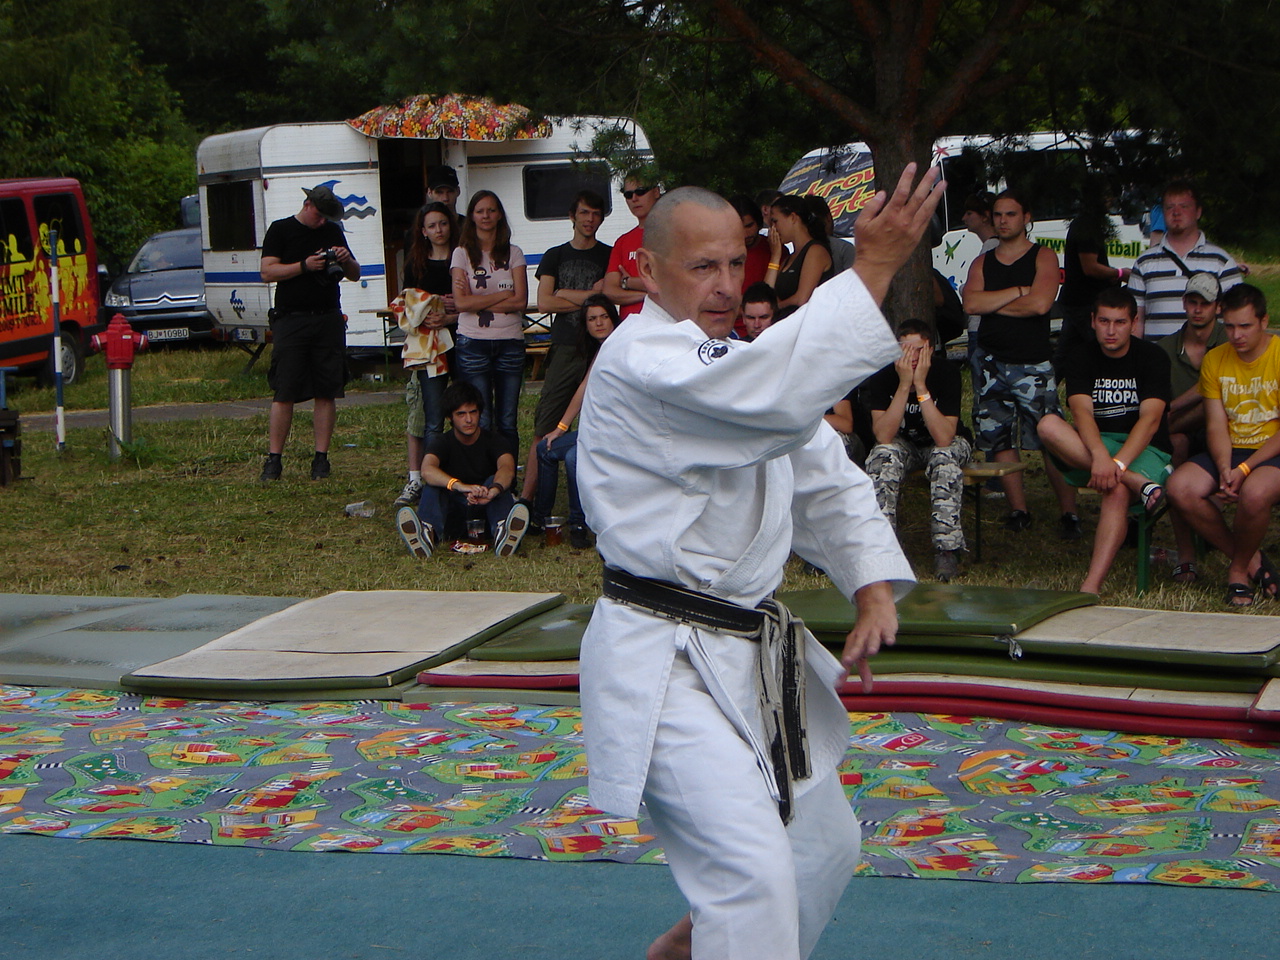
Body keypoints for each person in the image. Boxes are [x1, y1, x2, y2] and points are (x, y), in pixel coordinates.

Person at [575, 164, 942, 960]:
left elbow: (821, 471)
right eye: (701, 266)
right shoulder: (645, 359)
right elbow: (774, 396)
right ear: (647, 271)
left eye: (735, 262)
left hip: (745, 655)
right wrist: (873, 269)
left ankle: (698, 947)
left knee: (823, 849)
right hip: (664, 662)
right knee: (749, 876)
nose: (724, 284)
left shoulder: (727, 363)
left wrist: (870, 585)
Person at [1037, 288, 1173, 594]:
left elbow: (1150, 421)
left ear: (1134, 323)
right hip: (1095, 445)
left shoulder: (1153, 357)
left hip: (1146, 448)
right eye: (1104, 321)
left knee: (1115, 490)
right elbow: (1082, 412)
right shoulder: (1080, 356)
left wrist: (1118, 464)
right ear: (1092, 321)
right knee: (1047, 425)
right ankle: (1135, 481)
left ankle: (1091, 585)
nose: (1111, 331)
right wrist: (1099, 455)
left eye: (1120, 322)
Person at [961, 189, 1079, 538]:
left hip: (1033, 363)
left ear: (1026, 218)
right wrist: (1017, 292)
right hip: (990, 362)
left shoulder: (1044, 256)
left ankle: (1070, 513)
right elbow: (971, 304)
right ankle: (1018, 510)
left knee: (1051, 440)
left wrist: (993, 303)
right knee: (999, 439)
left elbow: (1041, 304)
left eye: (1010, 214)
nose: (1003, 221)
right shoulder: (983, 262)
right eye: (998, 214)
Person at [1166, 284, 1280, 606]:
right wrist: (1224, 467)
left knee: (1254, 493)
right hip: (1233, 447)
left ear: (1264, 321)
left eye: (1245, 326)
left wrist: (1244, 469)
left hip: (1271, 449)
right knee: (1180, 487)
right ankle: (1252, 560)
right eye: (1229, 326)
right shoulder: (1216, 359)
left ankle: (1238, 571)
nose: (1236, 335)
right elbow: (1216, 424)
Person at [258, 184, 360, 482]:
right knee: (285, 390)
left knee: (327, 390)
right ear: (307, 205)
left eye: (328, 216)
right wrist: (304, 266)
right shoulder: (281, 230)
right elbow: (267, 272)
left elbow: (355, 274)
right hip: (291, 319)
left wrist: (344, 259)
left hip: (327, 318)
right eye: (320, 214)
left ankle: (321, 459)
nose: (323, 220)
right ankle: (274, 459)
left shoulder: (333, 232)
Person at [517, 191, 612, 507]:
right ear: (573, 216)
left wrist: (565, 293)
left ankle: (594, 502)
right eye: (584, 213)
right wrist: (589, 298)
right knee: (546, 423)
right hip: (565, 347)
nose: (589, 219)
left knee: (600, 426)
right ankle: (527, 500)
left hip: (599, 348)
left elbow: (606, 301)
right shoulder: (554, 255)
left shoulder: (608, 255)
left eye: (595, 214)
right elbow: (545, 301)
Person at [863, 318, 973, 582]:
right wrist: (904, 386)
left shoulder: (945, 373)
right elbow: (883, 435)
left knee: (944, 459)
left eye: (919, 350)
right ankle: (883, 548)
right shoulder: (883, 375)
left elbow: (944, 437)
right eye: (906, 350)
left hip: (946, 441)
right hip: (905, 443)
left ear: (930, 350)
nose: (912, 357)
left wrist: (921, 387)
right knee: (882, 456)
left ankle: (947, 549)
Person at [396, 381, 530, 559]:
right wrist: (459, 486)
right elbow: (427, 470)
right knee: (434, 485)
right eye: (461, 414)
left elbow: (507, 468)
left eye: (473, 412)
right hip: (454, 511)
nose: (469, 420)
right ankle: (426, 532)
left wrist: (494, 490)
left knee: (497, 482)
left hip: (486, 507)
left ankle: (504, 530)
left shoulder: (495, 440)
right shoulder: (442, 442)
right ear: (449, 417)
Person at [533, 294, 621, 549]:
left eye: (604, 317)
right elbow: (583, 389)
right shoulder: (597, 349)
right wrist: (560, 429)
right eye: (592, 319)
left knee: (574, 457)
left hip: (617, 431)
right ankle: (541, 519)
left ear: (613, 319)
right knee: (545, 447)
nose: (599, 323)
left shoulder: (619, 345)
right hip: (593, 430)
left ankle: (578, 524)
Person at [1156, 272, 1228, 582]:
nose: (1198, 309)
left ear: (1218, 307)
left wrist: (1171, 409)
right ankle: (1186, 554)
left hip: (1227, 431)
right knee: (1176, 443)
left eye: (1205, 303)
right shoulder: (1164, 349)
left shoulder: (1231, 339)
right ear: (1184, 303)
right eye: (1193, 302)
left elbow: (1215, 390)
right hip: (1182, 435)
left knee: (1212, 403)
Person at [450, 190, 528, 454]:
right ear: (472, 216)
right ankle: (482, 473)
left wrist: (479, 300)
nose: (486, 216)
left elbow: (520, 301)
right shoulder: (461, 254)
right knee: (479, 419)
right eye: (480, 211)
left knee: (507, 420)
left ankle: (507, 475)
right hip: (473, 342)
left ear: (500, 215)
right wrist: (503, 295)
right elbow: (461, 304)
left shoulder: (514, 253)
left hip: (510, 342)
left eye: (491, 210)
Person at [393, 201, 458, 508]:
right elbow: (406, 304)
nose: (438, 230)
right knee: (431, 417)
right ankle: (425, 479)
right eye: (432, 225)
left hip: (462, 341)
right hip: (428, 350)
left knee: (467, 409)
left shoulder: (462, 257)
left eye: (443, 224)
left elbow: (471, 297)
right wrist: (427, 312)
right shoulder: (415, 264)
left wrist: (452, 311)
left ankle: (462, 470)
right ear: (423, 231)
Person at [1128, 180, 1242, 340]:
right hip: (1156, 354)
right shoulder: (1144, 263)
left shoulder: (1221, 261)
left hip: (1208, 355)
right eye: (1169, 207)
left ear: (1198, 212)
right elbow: (1135, 321)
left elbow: (1236, 317)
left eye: (1184, 206)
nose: (1176, 212)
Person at [1053, 182, 1129, 373]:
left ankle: (1050, 387)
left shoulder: (1085, 224)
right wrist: (1119, 273)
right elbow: (1090, 267)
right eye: (1107, 196)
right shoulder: (1087, 226)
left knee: (1065, 354)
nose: (1111, 200)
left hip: (1076, 300)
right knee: (1103, 348)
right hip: (1084, 303)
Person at [603, 175, 662, 318]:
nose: (634, 198)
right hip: (631, 325)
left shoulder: (673, 234)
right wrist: (647, 295)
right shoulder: (622, 242)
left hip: (666, 324)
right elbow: (609, 291)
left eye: (640, 192)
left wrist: (628, 282)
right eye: (628, 195)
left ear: (656, 192)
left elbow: (671, 285)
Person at [765, 194, 833, 316]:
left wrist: (773, 308)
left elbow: (802, 298)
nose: (773, 228)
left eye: (775, 222)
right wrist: (775, 256)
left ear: (792, 218)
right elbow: (766, 293)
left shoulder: (815, 251)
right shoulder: (789, 258)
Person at [729, 194, 773, 292]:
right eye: (739, 228)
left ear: (758, 222)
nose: (746, 234)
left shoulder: (774, 249)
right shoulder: (721, 252)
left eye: (749, 226)